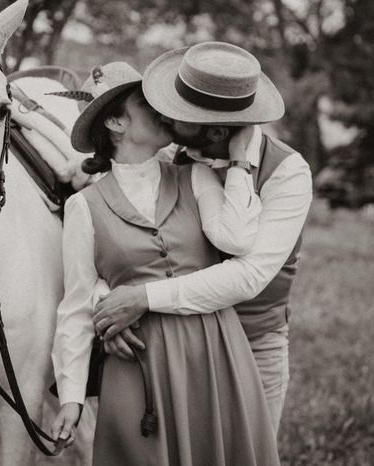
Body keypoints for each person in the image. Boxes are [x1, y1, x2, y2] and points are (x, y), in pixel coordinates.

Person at [50, 61, 279, 466]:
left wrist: (240, 161)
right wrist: (71, 396)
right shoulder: (83, 207)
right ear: (116, 123)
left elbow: (238, 239)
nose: (163, 111)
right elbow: (76, 304)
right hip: (138, 367)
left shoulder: (193, 177)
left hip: (213, 352)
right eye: (146, 103)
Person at [93, 42, 313, 434]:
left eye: (179, 115)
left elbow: (248, 276)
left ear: (214, 130)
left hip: (253, 342)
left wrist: (141, 299)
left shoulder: (288, 173)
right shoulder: (172, 159)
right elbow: (109, 243)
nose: (164, 116)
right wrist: (110, 310)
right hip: (177, 343)